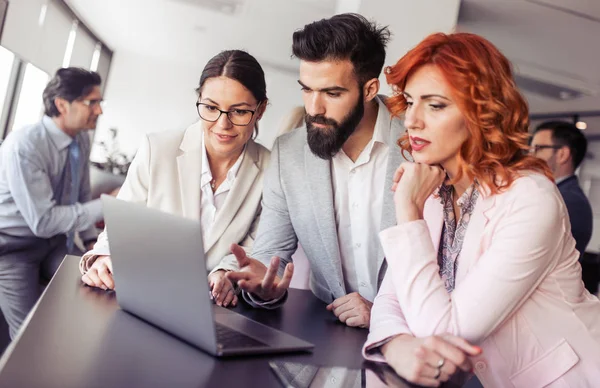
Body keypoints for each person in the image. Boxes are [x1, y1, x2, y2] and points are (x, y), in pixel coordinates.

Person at [362, 32, 600, 387]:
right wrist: (396, 347)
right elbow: (391, 299)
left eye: (435, 105)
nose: (412, 119)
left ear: (481, 113)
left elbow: (445, 333)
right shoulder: (433, 188)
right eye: (410, 101)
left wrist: (407, 212)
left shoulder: (530, 198)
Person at [227, 13, 405, 329]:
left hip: (410, 338)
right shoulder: (289, 153)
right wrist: (263, 287)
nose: (314, 108)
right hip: (326, 331)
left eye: (332, 93)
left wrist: (384, 314)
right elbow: (272, 257)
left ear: (369, 89)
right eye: (306, 90)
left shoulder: (416, 143)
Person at [80, 50, 271, 309]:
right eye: (211, 108)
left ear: (260, 110)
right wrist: (105, 257)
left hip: (214, 310)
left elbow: (256, 244)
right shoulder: (157, 149)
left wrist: (224, 272)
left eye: (239, 112)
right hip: (143, 297)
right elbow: (120, 225)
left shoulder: (271, 169)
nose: (222, 124)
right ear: (199, 100)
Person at [0, 67, 104, 338]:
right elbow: (43, 222)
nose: (99, 111)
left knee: (97, 292)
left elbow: (80, 195)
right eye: (92, 103)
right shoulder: (25, 145)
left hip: (55, 242)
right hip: (12, 248)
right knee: (28, 336)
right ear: (61, 104)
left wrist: (93, 244)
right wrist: (107, 205)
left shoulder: (80, 138)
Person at [530, 121, 593, 257]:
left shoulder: (569, 201)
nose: (531, 156)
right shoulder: (560, 195)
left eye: (538, 148)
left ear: (562, 154)